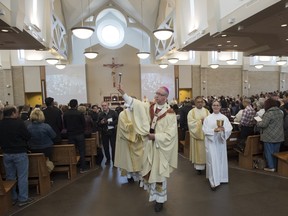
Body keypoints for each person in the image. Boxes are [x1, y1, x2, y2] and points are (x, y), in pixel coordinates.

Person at [117, 85, 178, 212]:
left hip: (160, 147)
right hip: (149, 146)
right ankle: (154, 196)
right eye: (156, 93)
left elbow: (171, 134)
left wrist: (155, 136)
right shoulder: (149, 107)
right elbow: (136, 104)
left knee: (160, 173)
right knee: (150, 170)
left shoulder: (170, 114)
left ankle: (160, 200)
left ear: (166, 97)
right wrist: (124, 93)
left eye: (160, 94)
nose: (156, 95)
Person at [0, 106, 33, 207]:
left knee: (10, 176)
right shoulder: (19, 123)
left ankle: (13, 198)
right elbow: (27, 136)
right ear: (13, 113)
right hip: (19, 152)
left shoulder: (0, 124)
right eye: (17, 112)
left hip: (6, 153)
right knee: (22, 176)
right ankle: (23, 198)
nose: (18, 114)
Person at [202, 100, 232, 191]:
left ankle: (222, 178)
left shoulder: (224, 117)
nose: (215, 107)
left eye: (217, 105)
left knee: (220, 160)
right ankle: (213, 181)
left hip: (220, 142)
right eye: (214, 105)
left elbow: (229, 128)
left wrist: (224, 130)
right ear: (211, 106)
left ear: (220, 107)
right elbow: (205, 130)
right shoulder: (208, 118)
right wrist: (214, 131)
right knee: (212, 161)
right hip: (211, 142)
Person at [114, 106, 144, 183]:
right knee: (128, 160)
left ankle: (140, 177)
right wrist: (136, 126)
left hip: (139, 140)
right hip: (126, 140)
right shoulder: (122, 114)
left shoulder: (139, 113)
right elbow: (124, 127)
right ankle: (129, 176)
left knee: (140, 159)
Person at [256, 98, 284, 172]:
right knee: (275, 152)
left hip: (269, 136)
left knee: (269, 152)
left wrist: (258, 122)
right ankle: (274, 166)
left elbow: (263, 124)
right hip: (279, 135)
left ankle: (271, 167)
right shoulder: (280, 112)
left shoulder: (269, 113)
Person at [63, 99, 88, 173]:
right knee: (82, 151)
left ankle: (73, 168)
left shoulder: (66, 114)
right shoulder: (79, 113)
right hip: (80, 134)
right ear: (77, 105)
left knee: (72, 151)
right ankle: (82, 168)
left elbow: (65, 124)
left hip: (70, 134)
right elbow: (84, 124)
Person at [187, 96, 210, 175]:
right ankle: (198, 168)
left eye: (201, 102)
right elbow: (190, 124)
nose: (200, 103)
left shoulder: (207, 111)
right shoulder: (191, 112)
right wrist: (200, 122)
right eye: (198, 102)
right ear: (195, 103)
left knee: (205, 151)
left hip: (205, 135)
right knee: (198, 152)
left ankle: (206, 165)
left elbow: (210, 122)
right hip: (197, 136)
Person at [98, 102, 118, 166]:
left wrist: (109, 123)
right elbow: (97, 124)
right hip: (104, 132)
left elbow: (117, 120)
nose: (104, 107)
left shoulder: (113, 112)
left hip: (112, 132)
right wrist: (101, 123)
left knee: (113, 147)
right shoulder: (100, 114)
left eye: (105, 105)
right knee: (105, 147)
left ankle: (114, 160)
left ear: (108, 106)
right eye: (102, 106)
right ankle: (108, 159)